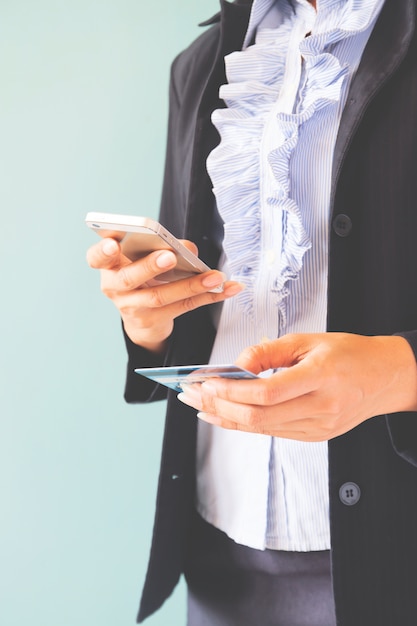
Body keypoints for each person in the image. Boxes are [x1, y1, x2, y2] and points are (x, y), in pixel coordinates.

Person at [87, 0, 417, 624]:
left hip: (396, 552)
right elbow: (199, 304)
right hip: (221, 552)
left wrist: (395, 370)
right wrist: (149, 321)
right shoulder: (201, 65)